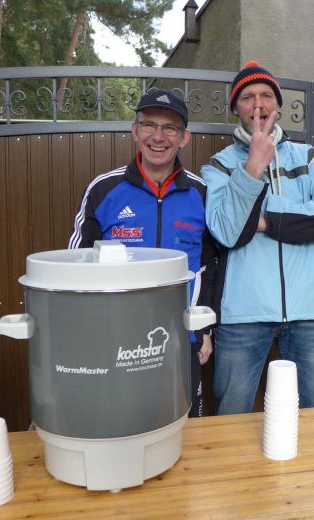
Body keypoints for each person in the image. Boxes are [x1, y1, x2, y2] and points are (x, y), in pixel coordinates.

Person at [202, 61, 314, 415]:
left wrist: (266, 220)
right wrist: (253, 166)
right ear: (236, 108)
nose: (258, 104)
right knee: (232, 417)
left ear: (278, 106)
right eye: (248, 97)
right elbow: (227, 231)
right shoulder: (218, 166)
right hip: (243, 314)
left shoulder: (309, 157)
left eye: (266, 95)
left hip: (309, 311)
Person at [68, 88, 216, 418]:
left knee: (183, 427)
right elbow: (77, 265)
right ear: (135, 130)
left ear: (184, 137)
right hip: (113, 339)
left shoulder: (201, 194)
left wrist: (204, 330)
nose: (158, 137)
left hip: (181, 339)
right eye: (149, 124)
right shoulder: (104, 189)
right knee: (120, 423)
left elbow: (208, 267)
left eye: (170, 128)